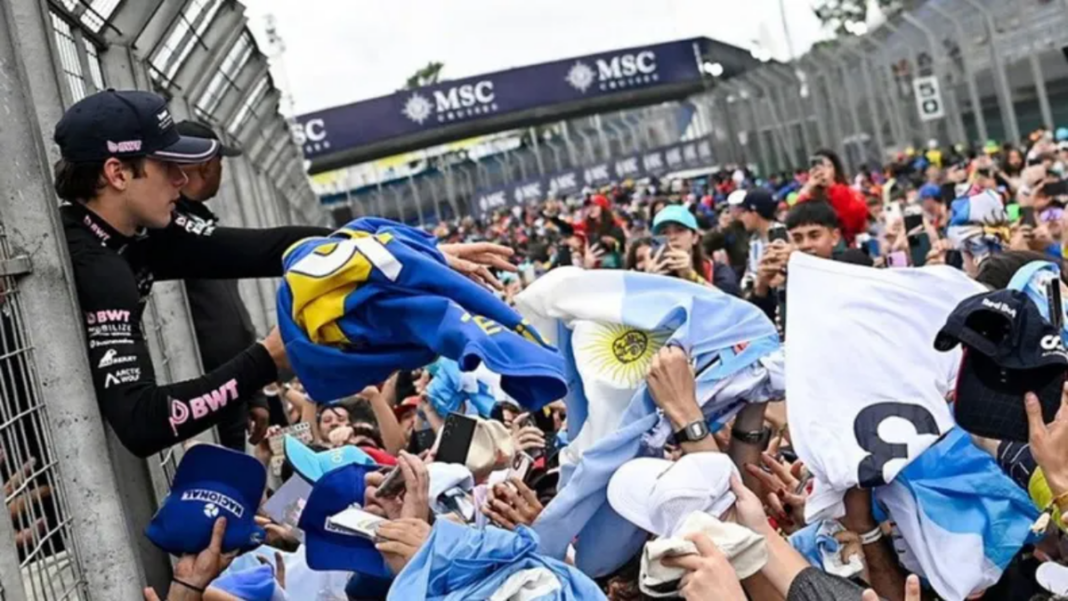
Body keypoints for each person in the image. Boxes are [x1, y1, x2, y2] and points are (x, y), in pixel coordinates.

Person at [56, 89, 511, 458]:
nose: (181, 180)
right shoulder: (95, 265)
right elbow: (143, 422)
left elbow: (272, 247)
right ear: (117, 172)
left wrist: (418, 252)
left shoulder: (137, 236)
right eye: (166, 166)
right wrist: (268, 357)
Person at [175, 120, 291, 451]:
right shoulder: (170, 232)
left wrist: (254, 392)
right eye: (221, 163)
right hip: (198, 391)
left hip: (233, 382)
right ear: (206, 166)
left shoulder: (205, 227)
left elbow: (234, 318)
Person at [648, 205, 740, 296]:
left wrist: (691, 276)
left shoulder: (717, 271)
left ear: (695, 237)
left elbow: (731, 304)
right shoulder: (653, 274)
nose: (672, 237)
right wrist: (650, 282)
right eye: (664, 233)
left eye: (680, 230)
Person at [796, 149, 869, 244]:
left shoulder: (848, 192)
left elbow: (854, 224)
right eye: (818, 167)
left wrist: (832, 188)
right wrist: (810, 192)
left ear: (835, 169)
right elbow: (797, 221)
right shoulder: (806, 194)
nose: (822, 171)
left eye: (828, 166)